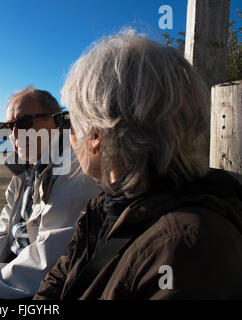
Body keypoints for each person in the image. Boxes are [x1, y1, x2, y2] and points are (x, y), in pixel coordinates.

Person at [34, 31, 242, 300]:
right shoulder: (106, 208)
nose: (67, 133)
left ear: (96, 135)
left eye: (68, 120)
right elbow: (56, 284)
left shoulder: (187, 248)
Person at [0, 86, 100, 300]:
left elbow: (48, 259)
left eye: (24, 123)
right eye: (9, 126)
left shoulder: (75, 171)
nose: (14, 134)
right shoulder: (24, 171)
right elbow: (3, 231)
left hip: (40, 286)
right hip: (12, 272)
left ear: (56, 122)